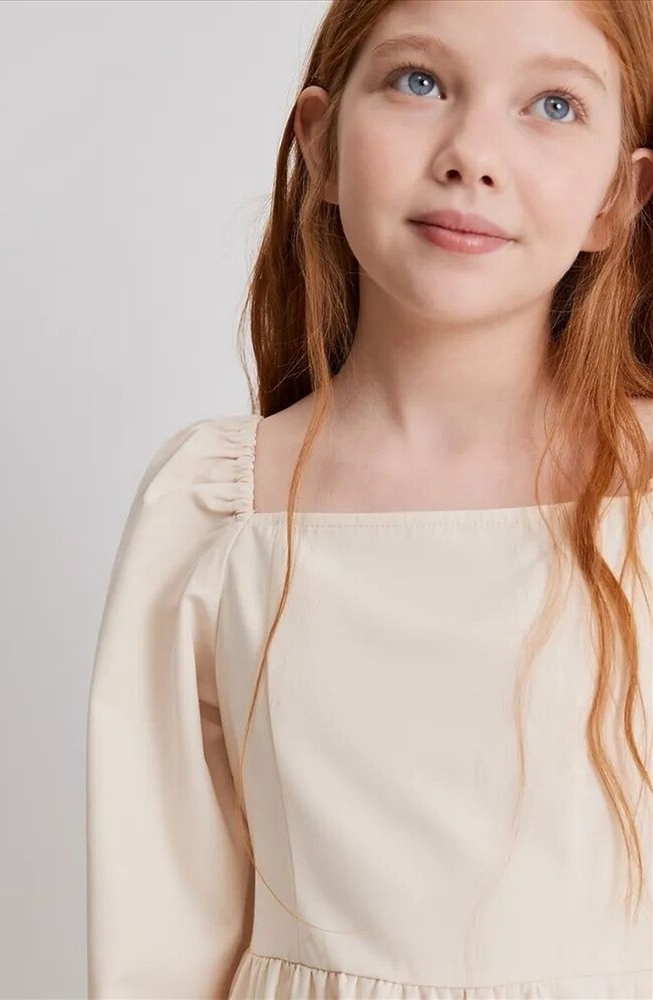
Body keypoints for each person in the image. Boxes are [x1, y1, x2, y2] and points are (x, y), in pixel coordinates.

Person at [86, 0, 653, 997]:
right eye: (419, 82)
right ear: (320, 143)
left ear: (619, 195)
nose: (473, 155)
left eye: (554, 104)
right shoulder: (219, 510)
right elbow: (155, 942)